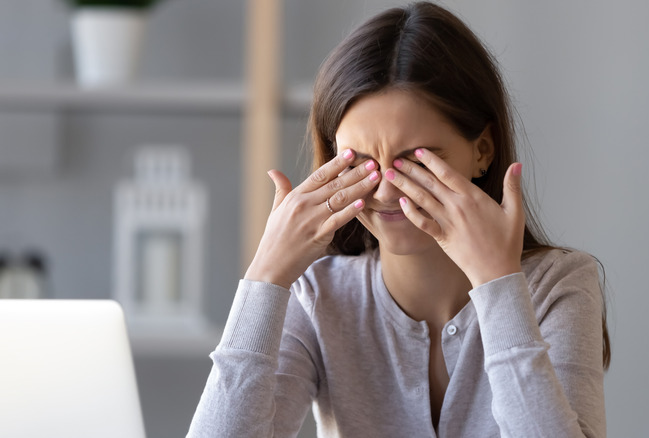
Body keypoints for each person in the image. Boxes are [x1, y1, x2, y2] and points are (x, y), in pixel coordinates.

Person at [188, 2, 610, 437]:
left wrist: (497, 285)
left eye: (414, 162)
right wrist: (265, 278)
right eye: (361, 164)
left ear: (482, 149)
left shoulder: (558, 285)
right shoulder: (318, 297)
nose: (387, 190)